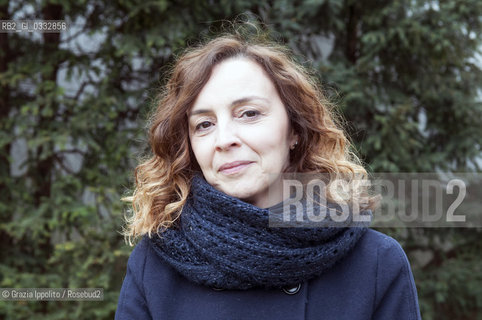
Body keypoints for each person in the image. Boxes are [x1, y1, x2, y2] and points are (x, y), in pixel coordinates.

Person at [115, 31, 422, 320]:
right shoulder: (154, 265)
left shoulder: (376, 263)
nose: (224, 139)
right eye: (204, 124)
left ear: (295, 130)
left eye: (249, 113)